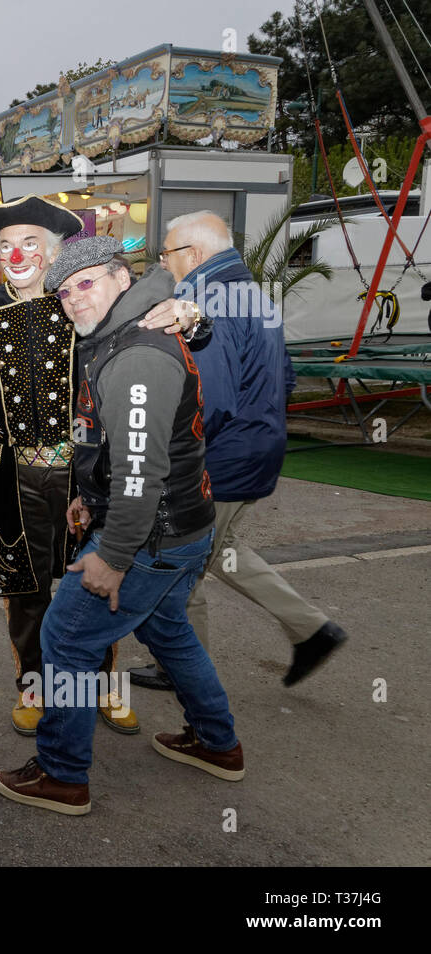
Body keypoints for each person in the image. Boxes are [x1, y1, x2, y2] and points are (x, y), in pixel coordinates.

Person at [0, 236, 242, 815]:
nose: (73, 299)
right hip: (179, 528)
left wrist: (115, 555)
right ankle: (217, 742)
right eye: (63, 291)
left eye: (87, 283)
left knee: (66, 638)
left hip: (152, 536)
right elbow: (113, 446)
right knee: (168, 632)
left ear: (121, 279)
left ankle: (62, 774)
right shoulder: (118, 334)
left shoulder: (135, 355)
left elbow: (139, 475)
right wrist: (87, 496)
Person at [0, 196, 142, 735]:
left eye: (30, 242)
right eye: (6, 244)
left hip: (85, 474)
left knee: (95, 581)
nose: (16, 253)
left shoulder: (79, 296)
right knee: (25, 587)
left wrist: (189, 314)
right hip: (15, 473)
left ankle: (103, 683)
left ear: (54, 249)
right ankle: (34, 685)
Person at [128, 211, 347, 692]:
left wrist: (173, 458)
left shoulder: (203, 300)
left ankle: (185, 673)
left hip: (218, 456)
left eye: (167, 254)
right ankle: (311, 629)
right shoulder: (255, 297)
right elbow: (284, 379)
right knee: (220, 550)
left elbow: (211, 400)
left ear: (194, 255)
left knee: (178, 569)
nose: (164, 264)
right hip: (258, 447)